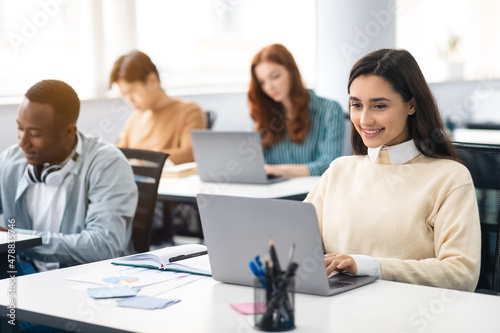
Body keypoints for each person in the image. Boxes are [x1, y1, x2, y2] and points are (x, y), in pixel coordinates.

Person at [304, 49, 481, 292]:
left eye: (379, 106)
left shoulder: (450, 178)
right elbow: (292, 240)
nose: (364, 120)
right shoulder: (339, 171)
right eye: (356, 105)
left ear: (411, 105)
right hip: (338, 313)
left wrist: (370, 266)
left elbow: (462, 274)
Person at [0, 80, 138, 274]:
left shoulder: (107, 165)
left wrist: (19, 239)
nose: (22, 142)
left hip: (83, 279)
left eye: (35, 133)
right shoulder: (10, 160)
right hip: (24, 273)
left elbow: (103, 246)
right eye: (20, 129)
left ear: (69, 132)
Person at [248, 43, 344, 177]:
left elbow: (330, 165)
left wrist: (280, 171)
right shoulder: (262, 113)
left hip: (313, 193)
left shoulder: (330, 110)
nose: (269, 87)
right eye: (262, 82)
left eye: (275, 77)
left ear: (291, 71)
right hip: (273, 194)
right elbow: (251, 163)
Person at [110, 50, 206, 165]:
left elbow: (190, 154)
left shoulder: (189, 111)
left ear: (152, 80)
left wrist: (143, 159)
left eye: (133, 91)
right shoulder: (136, 116)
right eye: (124, 94)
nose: (129, 100)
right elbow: (120, 152)